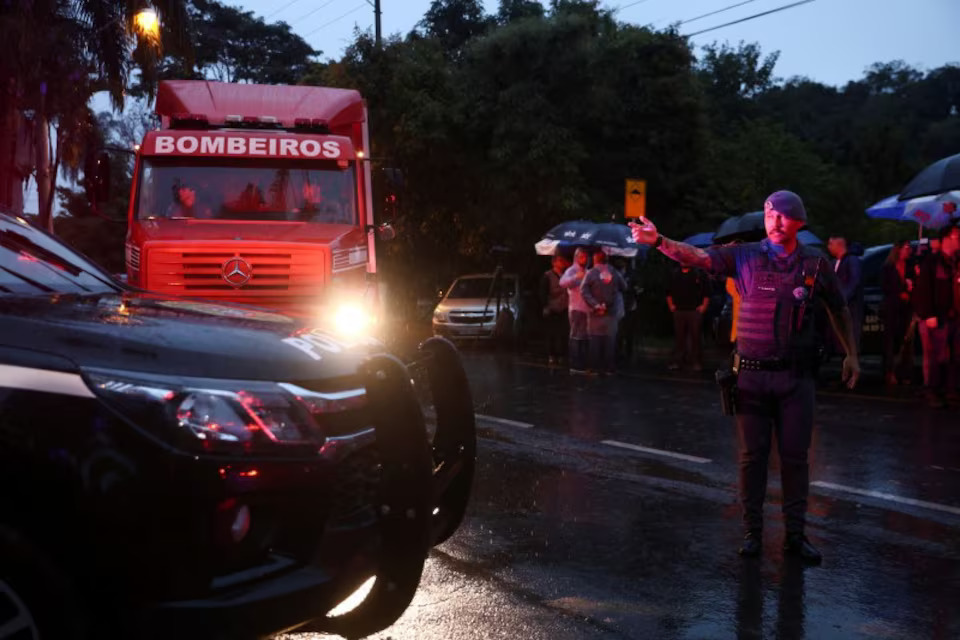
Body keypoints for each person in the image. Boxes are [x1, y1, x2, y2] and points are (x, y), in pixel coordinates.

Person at [631, 190, 860, 564]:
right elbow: (698, 256)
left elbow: (839, 309)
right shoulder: (746, 256)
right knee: (752, 457)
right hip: (752, 378)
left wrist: (851, 353)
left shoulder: (815, 265)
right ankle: (753, 534)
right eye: (770, 214)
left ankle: (795, 537)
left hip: (796, 378)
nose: (775, 221)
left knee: (795, 458)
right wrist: (658, 241)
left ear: (799, 223)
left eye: (784, 216)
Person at [913, 224, 960, 408]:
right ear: (947, 238)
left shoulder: (956, 262)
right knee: (938, 355)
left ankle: (951, 389)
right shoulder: (933, 262)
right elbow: (924, 289)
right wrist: (929, 314)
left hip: (956, 315)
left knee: (956, 355)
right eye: (957, 236)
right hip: (939, 316)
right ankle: (933, 390)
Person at [581, 248, 627, 375]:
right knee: (609, 341)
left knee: (595, 340)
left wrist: (596, 304)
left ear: (596, 258)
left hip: (595, 312)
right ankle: (609, 368)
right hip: (611, 312)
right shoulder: (614, 272)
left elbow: (583, 290)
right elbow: (624, 286)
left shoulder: (590, 273)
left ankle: (594, 368)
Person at [880, 241, 915, 386]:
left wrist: (910, 287)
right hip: (891, 308)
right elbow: (884, 286)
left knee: (906, 341)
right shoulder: (887, 268)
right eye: (906, 248)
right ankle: (889, 372)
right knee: (890, 341)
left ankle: (904, 373)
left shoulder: (910, 266)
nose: (909, 251)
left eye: (909, 248)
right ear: (898, 250)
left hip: (906, 309)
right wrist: (900, 290)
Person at [666, 264, 709, 371]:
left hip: (694, 310)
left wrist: (704, 306)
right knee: (679, 337)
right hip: (679, 309)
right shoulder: (675, 274)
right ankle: (678, 361)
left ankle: (695, 362)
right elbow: (668, 291)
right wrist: (671, 305)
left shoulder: (699, 274)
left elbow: (707, 292)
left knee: (695, 337)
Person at [828, 235, 864, 355]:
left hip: (851, 309)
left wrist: (842, 298)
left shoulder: (852, 260)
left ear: (839, 245)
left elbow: (855, 282)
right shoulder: (834, 263)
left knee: (851, 340)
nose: (828, 247)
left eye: (831, 244)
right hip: (839, 310)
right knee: (841, 342)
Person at [559, 247, 591, 374]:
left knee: (584, 337)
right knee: (576, 337)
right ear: (576, 257)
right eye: (582, 256)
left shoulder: (588, 271)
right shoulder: (572, 270)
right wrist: (576, 277)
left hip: (587, 310)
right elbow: (562, 283)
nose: (584, 259)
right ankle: (575, 364)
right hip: (576, 309)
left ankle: (582, 363)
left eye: (586, 257)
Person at [540, 254, 571, 365]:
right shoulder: (547, 276)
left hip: (564, 307)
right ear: (554, 262)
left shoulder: (566, 275)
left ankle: (563, 354)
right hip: (552, 308)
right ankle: (552, 355)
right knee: (551, 333)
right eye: (559, 261)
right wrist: (546, 306)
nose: (562, 263)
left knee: (564, 332)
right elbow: (543, 293)